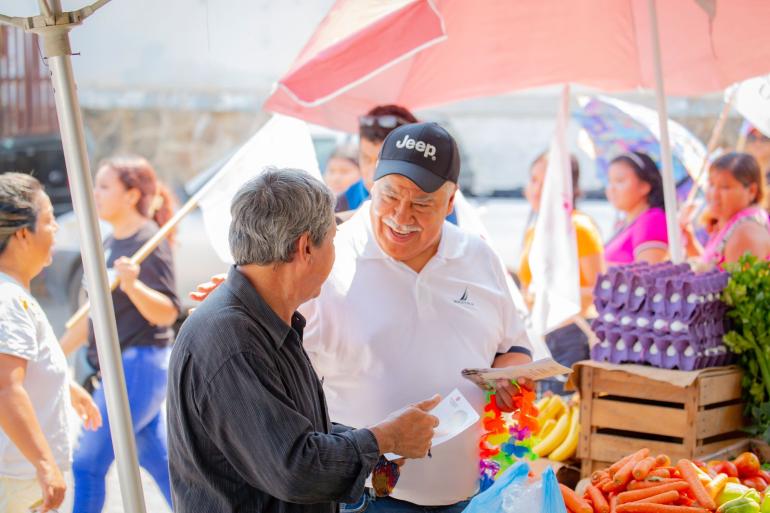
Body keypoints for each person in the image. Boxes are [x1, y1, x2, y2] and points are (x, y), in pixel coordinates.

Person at [193, 122, 534, 512]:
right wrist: (240, 294)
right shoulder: (325, 257)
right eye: (389, 195)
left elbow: (513, 345)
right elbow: (261, 334)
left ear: (452, 200)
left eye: (422, 203)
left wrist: (512, 374)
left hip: (467, 494)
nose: (401, 216)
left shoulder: (480, 257)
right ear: (372, 182)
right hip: (364, 498)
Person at [167, 168, 440, 513]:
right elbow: (295, 469)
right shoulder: (232, 340)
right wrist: (385, 438)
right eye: (333, 239)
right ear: (306, 247)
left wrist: (375, 442)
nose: (335, 251)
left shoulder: (264, 320)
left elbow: (294, 431)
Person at [58, 156, 180, 512]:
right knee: (160, 463)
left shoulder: (149, 241)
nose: (95, 193)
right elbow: (91, 315)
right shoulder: (110, 242)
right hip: (119, 368)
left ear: (130, 195)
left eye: (104, 186)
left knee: (87, 463)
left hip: (139, 364)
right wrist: (51, 351)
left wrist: (133, 284)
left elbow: (168, 312)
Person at [0, 173, 101, 513]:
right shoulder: (7, 300)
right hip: (19, 481)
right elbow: (5, 388)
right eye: (48, 220)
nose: (56, 229)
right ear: (23, 233)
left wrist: (65, 387)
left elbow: (21, 369)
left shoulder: (13, 293)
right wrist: (44, 464)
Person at [518, 153, 605, 394]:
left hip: (572, 336)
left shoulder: (579, 228)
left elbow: (602, 291)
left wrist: (555, 296)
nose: (536, 189)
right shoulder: (535, 230)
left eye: (545, 183)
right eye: (533, 180)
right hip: (541, 338)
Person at [681, 152, 770, 269]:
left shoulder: (746, 232)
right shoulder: (731, 222)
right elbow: (714, 271)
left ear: (752, 191)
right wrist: (690, 243)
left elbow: (730, 286)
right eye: (711, 184)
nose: (714, 194)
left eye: (725, 187)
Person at [336, 105, 419, 213]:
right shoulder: (345, 202)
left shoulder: (433, 205)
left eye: (383, 162)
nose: (372, 174)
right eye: (366, 159)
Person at [604, 151, 669, 265]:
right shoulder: (627, 223)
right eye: (609, 181)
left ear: (644, 186)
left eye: (619, 181)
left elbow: (649, 274)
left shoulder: (652, 220)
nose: (611, 188)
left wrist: (593, 267)